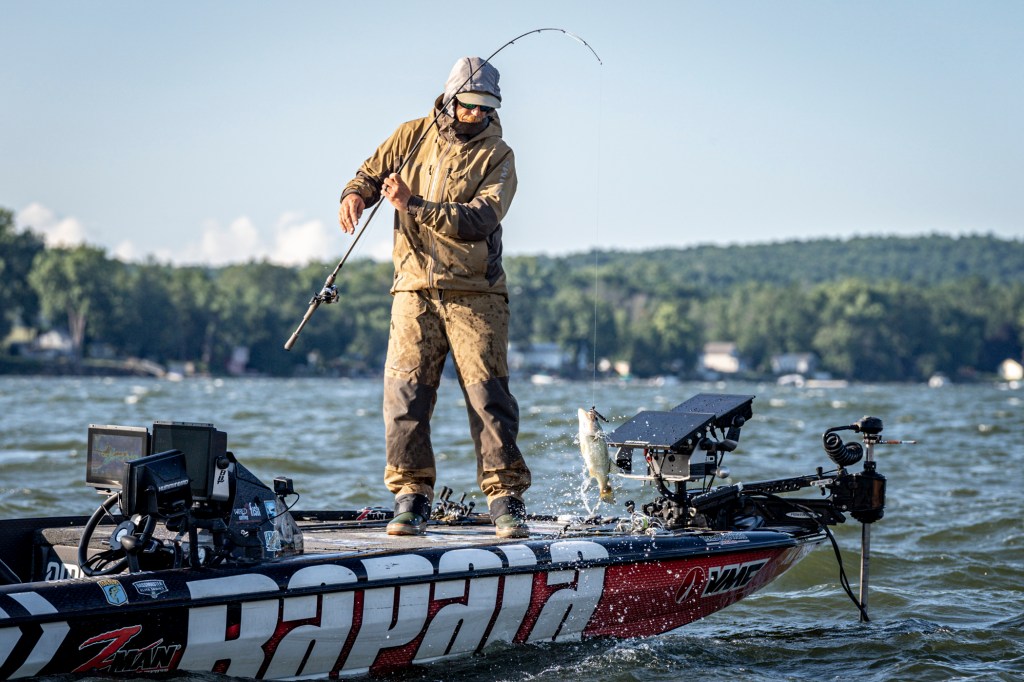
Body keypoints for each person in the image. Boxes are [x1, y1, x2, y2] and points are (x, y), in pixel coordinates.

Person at [337, 56, 531, 539]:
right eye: (471, 105)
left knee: (489, 399)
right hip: (412, 289)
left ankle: (505, 501)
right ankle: (411, 498)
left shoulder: (499, 155)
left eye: (486, 107)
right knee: (405, 396)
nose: (478, 114)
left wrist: (414, 205)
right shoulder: (411, 134)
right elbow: (368, 172)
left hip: (476, 294)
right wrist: (354, 195)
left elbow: (479, 220)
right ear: (451, 98)